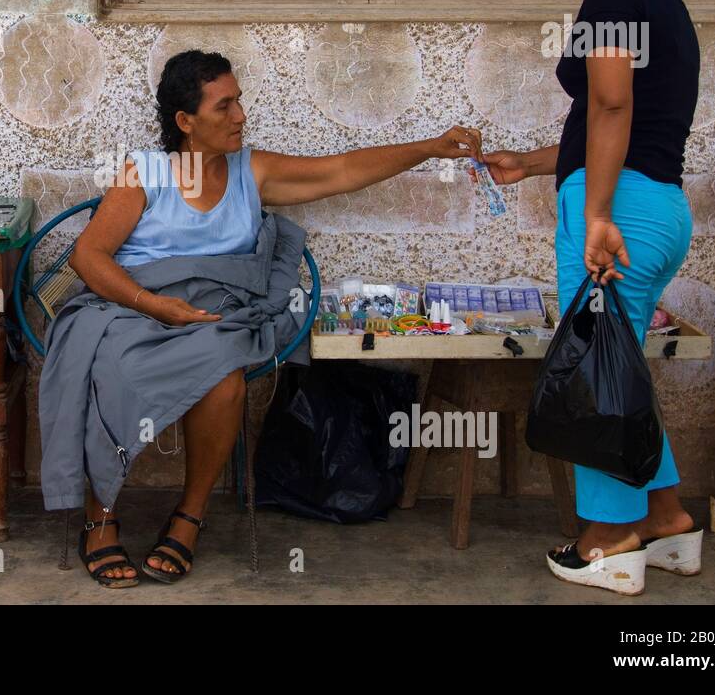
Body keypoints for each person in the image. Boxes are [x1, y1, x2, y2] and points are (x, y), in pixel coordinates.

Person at [65, 49, 483, 587]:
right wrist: (155, 305)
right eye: (225, 106)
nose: (241, 115)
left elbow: (342, 171)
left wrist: (429, 148)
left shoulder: (252, 171)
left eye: (240, 101)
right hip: (135, 309)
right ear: (186, 122)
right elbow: (89, 256)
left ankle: (189, 519)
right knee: (110, 368)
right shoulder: (144, 173)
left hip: (212, 318)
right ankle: (100, 520)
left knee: (225, 376)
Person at [483, 0, 702, 595]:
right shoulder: (666, 2)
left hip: (621, 212)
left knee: (591, 371)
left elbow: (610, 102)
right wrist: (538, 162)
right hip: (661, 208)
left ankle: (609, 537)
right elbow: (624, 121)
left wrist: (598, 213)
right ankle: (667, 514)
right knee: (617, 361)